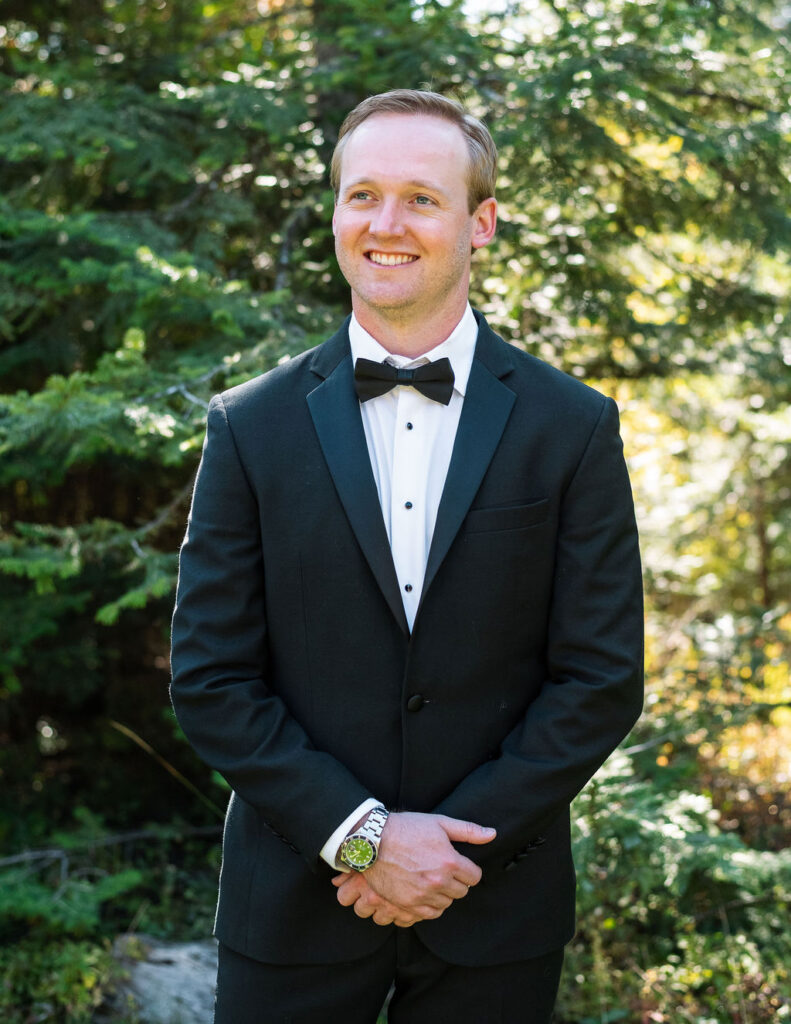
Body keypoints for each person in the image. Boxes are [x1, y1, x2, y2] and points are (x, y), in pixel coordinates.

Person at [170, 88, 644, 1024]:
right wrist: (363, 839)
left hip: (494, 912)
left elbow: (598, 677)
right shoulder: (248, 426)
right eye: (362, 196)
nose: (386, 224)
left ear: (482, 224)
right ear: (336, 213)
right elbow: (211, 678)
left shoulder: (573, 426)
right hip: (293, 913)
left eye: (422, 199)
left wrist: (453, 851)